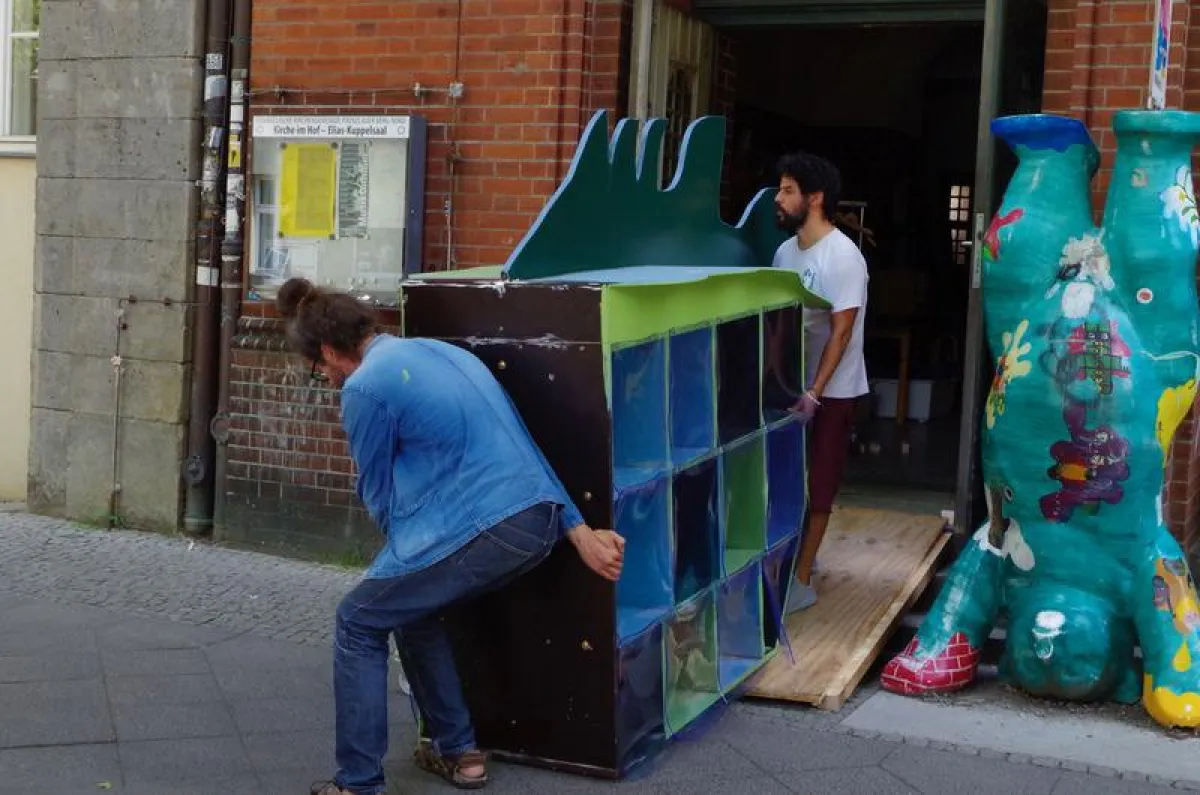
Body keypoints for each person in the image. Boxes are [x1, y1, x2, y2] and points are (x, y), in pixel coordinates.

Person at [277, 278, 626, 795]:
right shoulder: (438, 353)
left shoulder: (364, 387)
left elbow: (377, 493)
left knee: (358, 620)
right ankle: (461, 755)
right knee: (408, 610)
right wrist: (576, 530)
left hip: (487, 528)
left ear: (329, 351)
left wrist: (398, 559)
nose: (324, 377)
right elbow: (519, 439)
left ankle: (358, 783)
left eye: (318, 368)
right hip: (536, 521)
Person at [770, 151, 870, 613]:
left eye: (788, 190)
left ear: (815, 198)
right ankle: (782, 565)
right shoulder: (784, 253)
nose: (778, 197)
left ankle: (803, 578)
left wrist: (816, 391)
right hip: (792, 387)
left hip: (833, 390)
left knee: (820, 484)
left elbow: (842, 331)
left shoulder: (844, 256)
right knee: (785, 480)